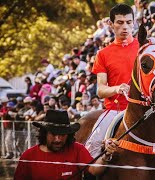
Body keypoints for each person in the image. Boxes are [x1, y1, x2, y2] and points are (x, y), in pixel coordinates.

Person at [86, 4, 140, 158]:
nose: (125, 27)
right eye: (120, 22)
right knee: (91, 148)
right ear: (111, 24)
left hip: (146, 111)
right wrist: (117, 89)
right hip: (115, 111)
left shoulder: (145, 47)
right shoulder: (103, 54)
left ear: (134, 23)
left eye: (129, 22)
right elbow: (100, 91)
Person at [14, 110, 112, 179]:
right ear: (44, 133)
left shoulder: (77, 149)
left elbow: (94, 170)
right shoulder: (28, 156)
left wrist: (106, 155)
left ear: (68, 135)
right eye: (53, 134)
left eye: (62, 135)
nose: (58, 139)